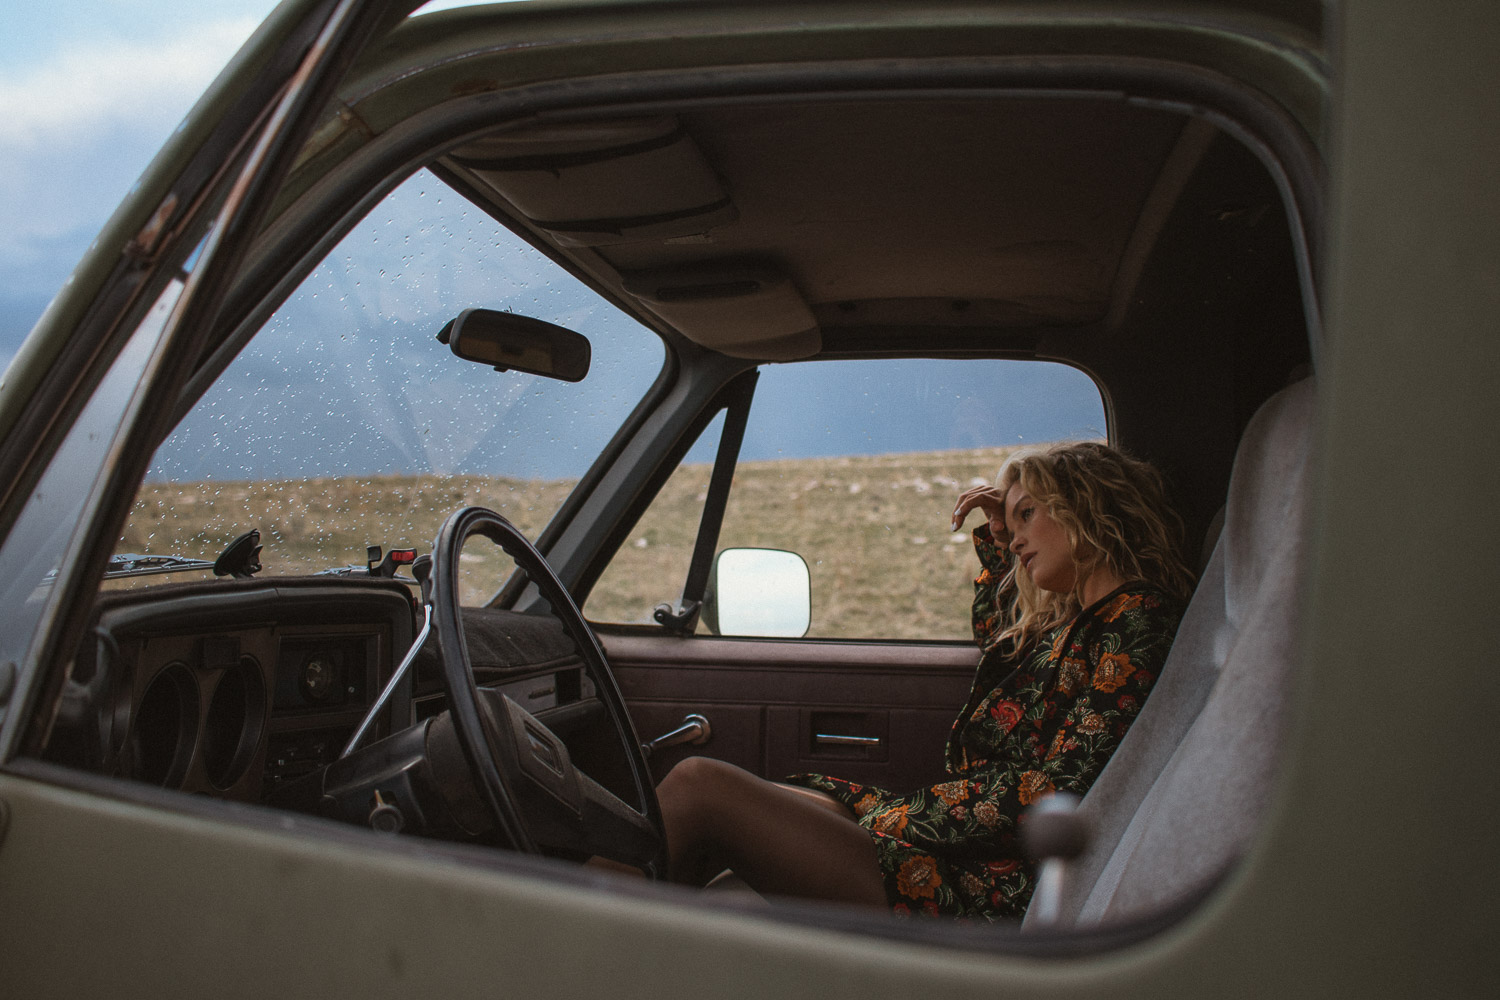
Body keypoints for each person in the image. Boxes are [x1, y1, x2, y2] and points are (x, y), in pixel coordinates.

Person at [653, 442, 1194, 920]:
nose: (1017, 541)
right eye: (1012, 527)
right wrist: (997, 533)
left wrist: (901, 817)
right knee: (765, 801)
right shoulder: (1076, 618)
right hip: (975, 850)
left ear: (1085, 506)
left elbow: (1058, 791)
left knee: (700, 784)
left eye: (1028, 515)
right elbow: (998, 641)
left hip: (995, 887)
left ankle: (602, 941)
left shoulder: (1138, 621)